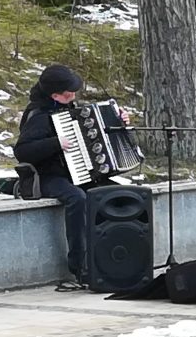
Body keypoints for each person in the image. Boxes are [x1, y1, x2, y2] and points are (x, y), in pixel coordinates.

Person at [13, 64, 129, 291]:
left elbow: (99, 133)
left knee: (118, 194)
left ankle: (116, 257)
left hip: (79, 173)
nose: (74, 95)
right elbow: (22, 151)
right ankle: (80, 266)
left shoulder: (70, 109)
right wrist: (56, 143)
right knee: (77, 198)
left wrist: (119, 121)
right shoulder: (37, 116)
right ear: (55, 95)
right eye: (68, 93)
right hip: (47, 176)